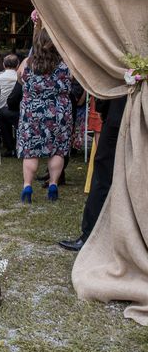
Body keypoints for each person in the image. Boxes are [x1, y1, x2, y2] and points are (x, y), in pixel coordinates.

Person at [58, 96, 126, 251]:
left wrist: (102, 108)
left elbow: (108, 84)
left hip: (119, 112)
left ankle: (90, 235)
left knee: (103, 174)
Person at [17, 29, 72, 204]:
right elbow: (72, 80)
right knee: (57, 150)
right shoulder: (66, 64)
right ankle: (53, 184)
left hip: (32, 112)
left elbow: (20, 80)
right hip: (59, 113)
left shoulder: (27, 63)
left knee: (30, 150)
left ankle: (27, 186)